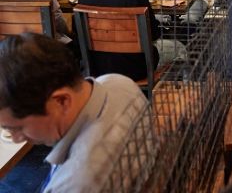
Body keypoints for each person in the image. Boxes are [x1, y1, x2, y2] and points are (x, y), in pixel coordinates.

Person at [0, 33, 148, 192]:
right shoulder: (120, 82)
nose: (16, 138)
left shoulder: (74, 183)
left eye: (18, 128)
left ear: (62, 101)